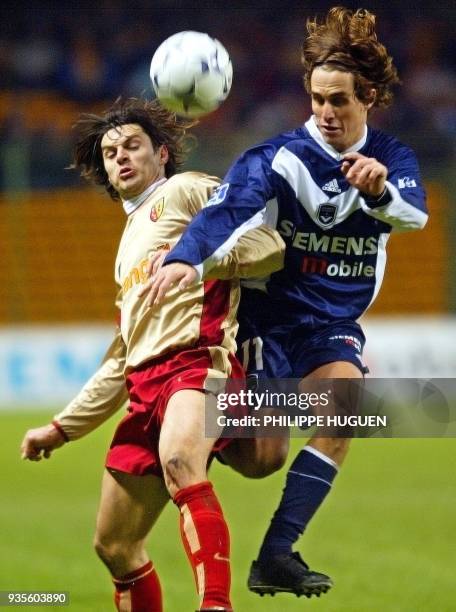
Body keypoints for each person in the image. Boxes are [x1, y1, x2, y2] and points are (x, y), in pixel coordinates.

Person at [141, 7, 428, 599]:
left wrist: (377, 193)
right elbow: (227, 211)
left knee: (345, 402)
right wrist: (182, 259)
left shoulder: (392, 159)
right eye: (318, 98)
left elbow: (414, 214)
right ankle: (191, 428)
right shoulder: (275, 157)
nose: (326, 112)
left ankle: (276, 553)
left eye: (339, 101)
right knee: (261, 458)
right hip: (267, 325)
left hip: (331, 326)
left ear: (366, 96)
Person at [20, 97, 286, 612]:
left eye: (132, 145)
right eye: (110, 151)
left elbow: (269, 242)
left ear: (162, 154)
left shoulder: (187, 190)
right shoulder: (127, 248)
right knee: (114, 545)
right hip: (144, 389)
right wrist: (61, 427)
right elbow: (122, 357)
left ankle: (216, 605)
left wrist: (205, 263)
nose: (120, 156)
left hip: (196, 364)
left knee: (181, 461)